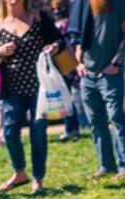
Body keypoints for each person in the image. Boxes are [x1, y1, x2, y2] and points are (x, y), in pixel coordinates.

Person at [0, 0, 67, 193]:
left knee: (38, 131)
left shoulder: (38, 17)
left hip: (39, 87)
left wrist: (54, 47)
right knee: (9, 132)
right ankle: (19, 172)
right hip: (11, 89)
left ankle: (38, 178)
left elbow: (60, 40)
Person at [69, 0, 125, 178]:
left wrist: (116, 63)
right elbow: (78, 36)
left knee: (116, 118)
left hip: (111, 73)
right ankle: (106, 165)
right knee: (96, 122)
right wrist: (79, 63)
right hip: (88, 73)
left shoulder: (122, 3)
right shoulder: (83, 4)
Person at [51, 0, 88, 141]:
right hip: (64, 65)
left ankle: (76, 126)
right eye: (54, 9)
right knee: (69, 99)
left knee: (72, 99)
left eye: (59, 8)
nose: (56, 12)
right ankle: (74, 127)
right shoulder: (62, 25)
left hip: (68, 65)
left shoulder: (64, 25)